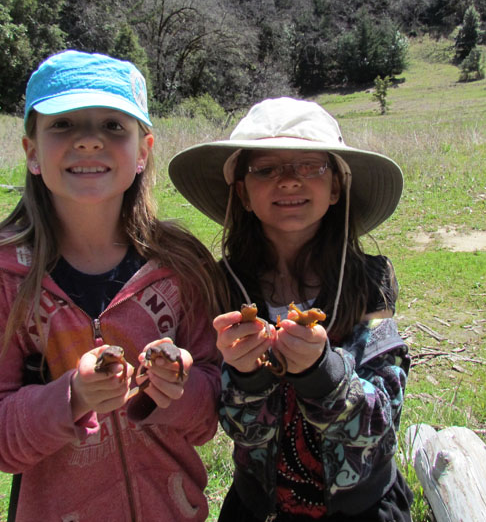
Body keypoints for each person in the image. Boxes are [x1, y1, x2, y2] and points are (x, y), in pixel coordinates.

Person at [0, 50, 226, 522]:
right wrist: (72, 398)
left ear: (143, 151)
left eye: (112, 126)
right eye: (63, 125)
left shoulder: (181, 265)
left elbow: (210, 414)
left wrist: (179, 387)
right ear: (32, 152)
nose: (87, 142)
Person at [168, 97, 413, 521]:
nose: (288, 181)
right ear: (242, 193)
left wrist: (323, 372)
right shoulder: (224, 289)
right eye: (266, 169)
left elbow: (380, 424)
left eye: (310, 166)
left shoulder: (369, 285)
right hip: (261, 507)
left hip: (364, 509)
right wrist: (246, 374)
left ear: (335, 187)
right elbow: (238, 429)